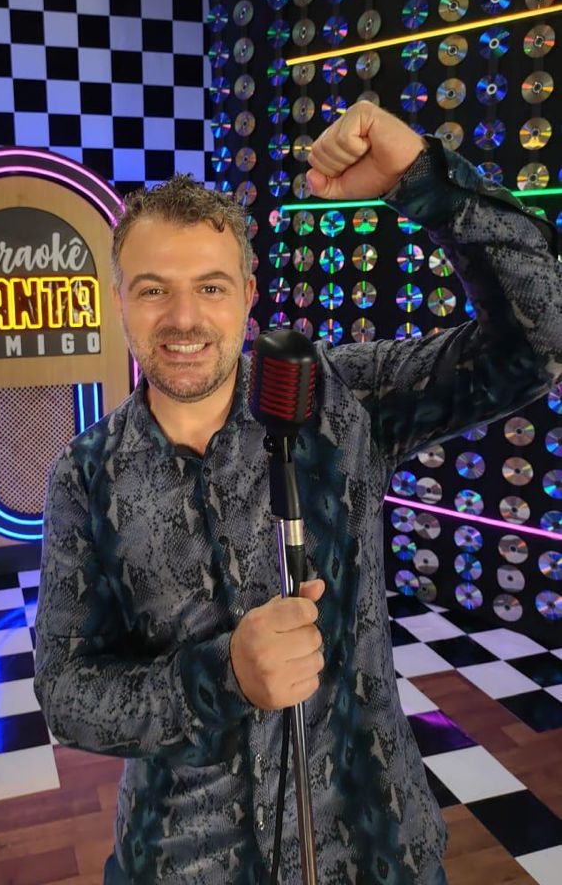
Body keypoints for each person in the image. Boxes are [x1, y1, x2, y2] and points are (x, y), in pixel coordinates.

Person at [33, 102, 562, 885]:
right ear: (119, 301)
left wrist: (426, 181)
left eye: (211, 287)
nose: (184, 319)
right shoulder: (84, 474)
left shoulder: (340, 401)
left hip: (374, 847)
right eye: (153, 291)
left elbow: (541, 340)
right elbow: (67, 692)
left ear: (248, 293)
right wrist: (222, 678)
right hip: (185, 862)